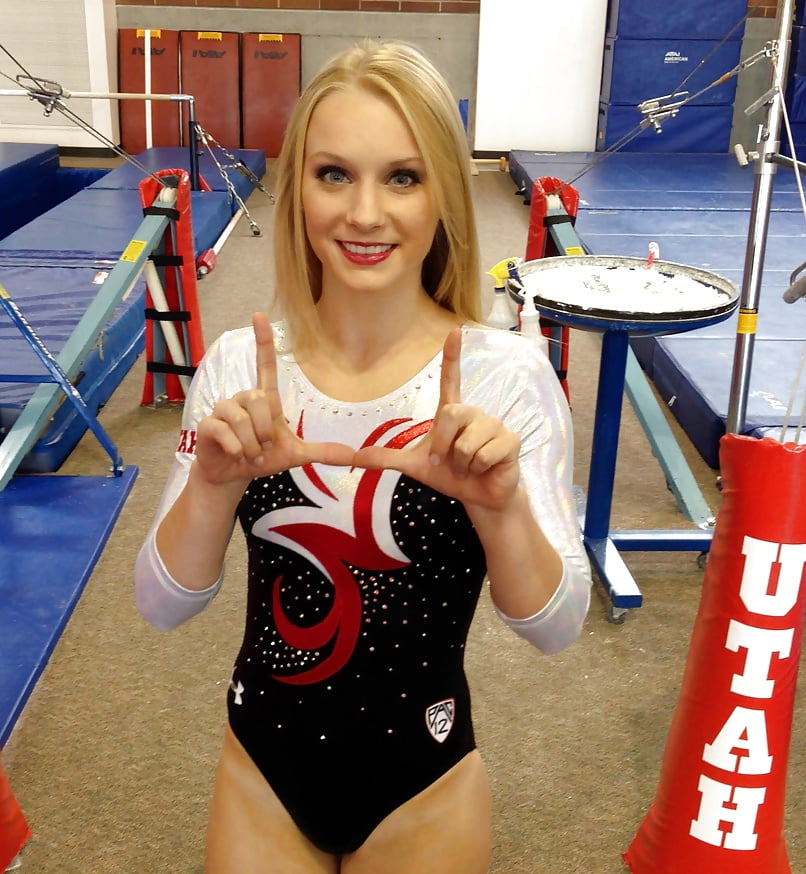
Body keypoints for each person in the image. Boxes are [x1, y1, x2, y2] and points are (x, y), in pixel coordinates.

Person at [135, 39, 592, 874]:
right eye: (334, 174)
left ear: (444, 192)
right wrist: (210, 484)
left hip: (423, 784)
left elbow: (557, 628)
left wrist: (500, 509)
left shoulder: (506, 377)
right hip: (262, 774)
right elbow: (161, 607)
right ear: (299, 189)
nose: (365, 213)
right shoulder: (241, 367)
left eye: (403, 178)